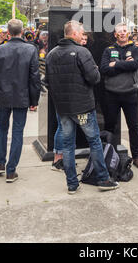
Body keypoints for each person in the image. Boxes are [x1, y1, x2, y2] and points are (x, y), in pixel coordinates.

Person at [45, 20, 118, 193]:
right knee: (94, 141)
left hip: (63, 109)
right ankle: (103, 179)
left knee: (68, 145)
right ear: (74, 33)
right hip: (83, 108)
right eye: (82, 31)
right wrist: (95, 69)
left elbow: (47, 82)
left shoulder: (51, 54)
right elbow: (94, 78)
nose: (84, 34)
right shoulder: (82, 52)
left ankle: (72, 184)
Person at [0, 19, 41, 182]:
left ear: (8, 33)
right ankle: (11, 170)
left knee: (2, 129)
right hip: (22, 95)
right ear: (21, 31)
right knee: (17, 132)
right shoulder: (30, 49)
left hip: (3, 94)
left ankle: (0, 164)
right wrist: (34, 100)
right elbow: (35, 77)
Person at [100, 23, 138, 169]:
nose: (122, 33)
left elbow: (136, 64)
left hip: (130, 94)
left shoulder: (136, 49)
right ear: (115, 34)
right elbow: (104, 69)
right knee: (109, 127)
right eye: (119, 32)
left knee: (134, 126)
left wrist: (116, 64)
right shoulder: (108, 50)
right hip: (111, 94)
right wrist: (124, 65)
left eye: (124, 31)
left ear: (129, 33)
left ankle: (137, 157)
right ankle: (107, 155)